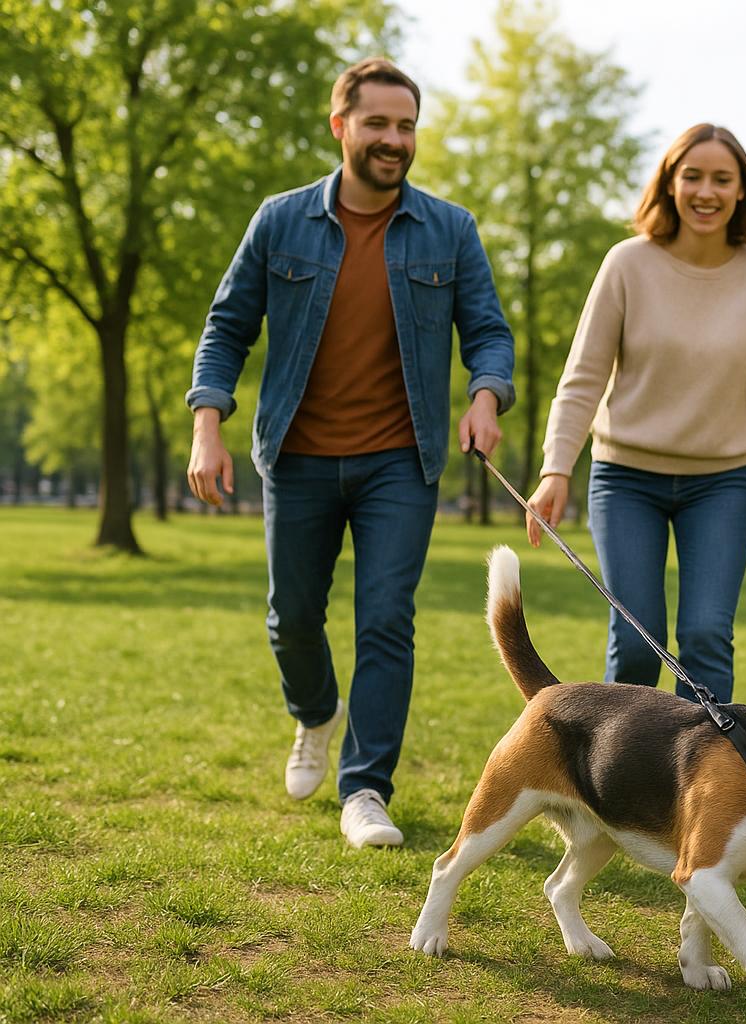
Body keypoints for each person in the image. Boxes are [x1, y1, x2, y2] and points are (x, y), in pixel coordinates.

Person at [185, 58, 516, 849]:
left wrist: (484, 396)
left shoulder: (450, 228)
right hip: (296, 455)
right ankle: (314, 713)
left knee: (386, 622)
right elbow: (227, 327)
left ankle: (365, 788)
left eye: (406, 126)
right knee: (292, 617)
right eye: (377, 124)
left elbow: (490, 332)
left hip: (399, 462)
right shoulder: (280, 221)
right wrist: (207, 422)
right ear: (341, 127)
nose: (394, 140)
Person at [526, 123, 746, 704]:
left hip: (722, 482)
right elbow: (584, 374)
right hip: (625, 476)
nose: (706, 192)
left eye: (722, 179)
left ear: (741, 192)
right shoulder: (627, 264)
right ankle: (622, 786)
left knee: (705, 635)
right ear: (670, 184)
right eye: (693, 176)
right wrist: (557, 467)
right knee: (637, 639)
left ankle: (704, 788)